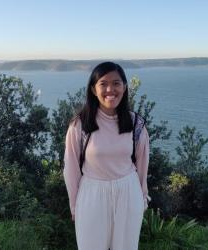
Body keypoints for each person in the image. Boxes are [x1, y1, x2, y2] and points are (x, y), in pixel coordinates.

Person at [63, 61, 150, 250]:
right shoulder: (80, 125)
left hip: (128, 191)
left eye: (117, 83)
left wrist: (143, 196)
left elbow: (143, 164)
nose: (110, 89)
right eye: (103, 84)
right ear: (94, 90)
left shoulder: (136, 124)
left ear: (125, 87)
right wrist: (74, 204)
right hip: (91, 194)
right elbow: (70, 168)